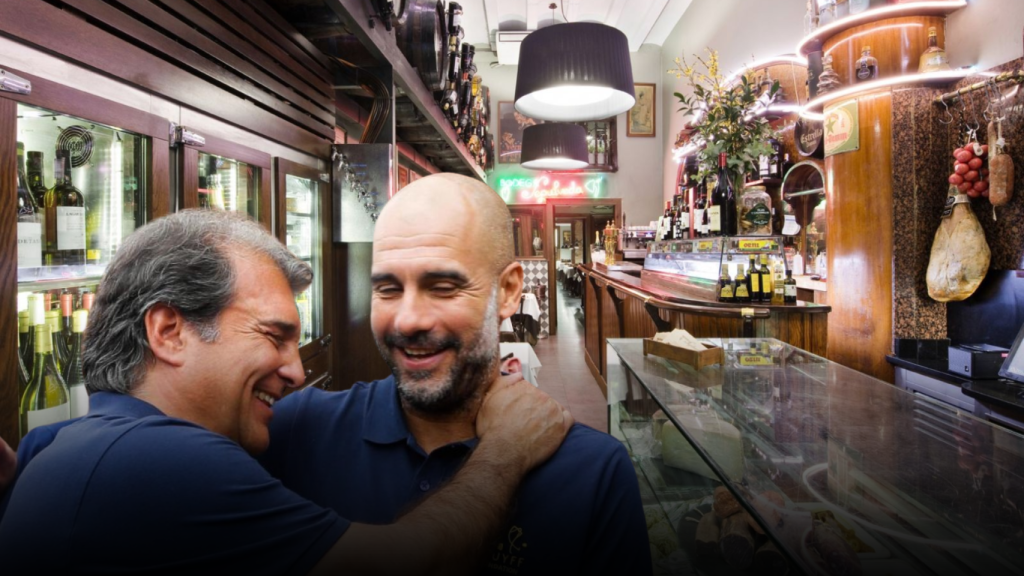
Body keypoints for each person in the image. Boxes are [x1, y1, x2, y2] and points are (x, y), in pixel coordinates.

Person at [0, 209, 572, 575]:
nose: (296, 372)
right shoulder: (161, 459)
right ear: (169, 331)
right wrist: (507, 447)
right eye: (274, 337)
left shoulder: (63, 448)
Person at [259, 173, 652, 575]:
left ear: (509, 291)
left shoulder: (593, 473)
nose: (408, 320)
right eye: (388, 289)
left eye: (443, 287)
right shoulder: (296, 431)